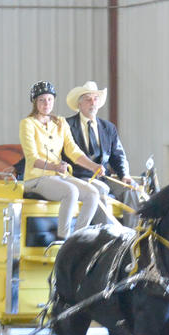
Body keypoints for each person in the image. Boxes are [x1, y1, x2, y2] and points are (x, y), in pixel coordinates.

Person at [19, 80, 120, 239]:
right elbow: (32, 159)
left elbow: (73, 150)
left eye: (50, 99)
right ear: (34, 102)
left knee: (92, 193)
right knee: (70, 191)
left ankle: (78, 237)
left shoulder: (60, 123)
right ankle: (63, 239)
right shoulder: (28, 124)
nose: (46, 103)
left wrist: (93, 166)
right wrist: (55, 167)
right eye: (42, 100)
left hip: (58, 177)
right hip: (36, 178)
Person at [60, 80, 138, 225]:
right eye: (88, 99)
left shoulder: (108, 128)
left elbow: (118, 155)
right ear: (79, 104)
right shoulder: (66, 125)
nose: (93, 103)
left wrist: (124, 175)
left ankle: (131, 236)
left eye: (95, 99)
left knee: (131, 188)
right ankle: (106, 237)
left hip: (103, 177)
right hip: (78, 178)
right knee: (100, 190)